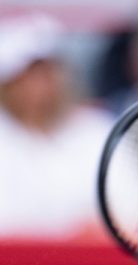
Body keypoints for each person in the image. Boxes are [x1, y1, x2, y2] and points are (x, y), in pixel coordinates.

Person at [0, 13, 114, 238]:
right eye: (29, 74)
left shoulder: (98, 130)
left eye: (48, 72)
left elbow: (135, 215)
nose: (41, 85)